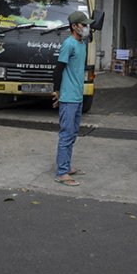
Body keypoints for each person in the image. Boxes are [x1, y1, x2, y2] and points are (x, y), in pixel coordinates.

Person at [51, 10, 94, 186]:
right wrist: (57, 91)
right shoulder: (69, 44)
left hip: (78, 96)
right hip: (68, 97)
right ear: (74, 26)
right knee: (66, 134)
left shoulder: (82, 43)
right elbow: (58, 69)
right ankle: (62, 173)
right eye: (84, 25)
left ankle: (66, 166)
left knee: (73, 133)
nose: (87, 28)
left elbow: (90, 35)